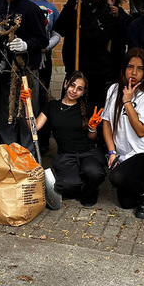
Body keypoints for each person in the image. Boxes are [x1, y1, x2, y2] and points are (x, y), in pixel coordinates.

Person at [0, 0, 48, 149]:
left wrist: (26, 45)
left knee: (27, 115)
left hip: (26, 71)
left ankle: (28, 157)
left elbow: (43, 41)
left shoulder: (30, 9)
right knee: (6, 115)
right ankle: (10, 156)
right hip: (3, 72)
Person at [101, 49, 144, 218]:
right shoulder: (114, 89)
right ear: (123, 68)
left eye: (140, 68)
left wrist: (128, 102)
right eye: (130, 67)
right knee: (126, 202)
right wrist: (111, 152)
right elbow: (106, 122)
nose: (134, 73)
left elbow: (141, 131)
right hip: (125, 154)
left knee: (117, 177)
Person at [28, 72, 106, 206]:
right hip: (66, 156)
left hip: (88, 153)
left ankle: (90, 189)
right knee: (68, 186)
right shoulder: (51, 106)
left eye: (79, 89)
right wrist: (27, 103)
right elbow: (34, 127)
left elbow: (91, 138)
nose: (74, 91)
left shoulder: (85, 107)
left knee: (95, 173)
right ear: (65, 84)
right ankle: (79, 180)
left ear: (83, 92)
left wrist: (92, 128)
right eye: (72, 85)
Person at [54, 0, 123, 112]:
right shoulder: (74, 10)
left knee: (94, 111)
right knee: (70, 110)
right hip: (74, 70)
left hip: (97, 76)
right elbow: (60, 28)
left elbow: (101, 37)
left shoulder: (105, 13)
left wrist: (89, 12)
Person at [22, 0, 60, 152]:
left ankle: (41, 141)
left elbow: (56, 33)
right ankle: (23, 140)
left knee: (42, 97)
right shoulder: (22, 2)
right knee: (25, 98)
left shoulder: (51, 7)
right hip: (25, 59)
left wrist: (47, 46)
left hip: (44, 60)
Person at [104, 0, 133, 74]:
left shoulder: (123, 15)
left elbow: (126, 37)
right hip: (99, 61)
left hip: (116, 61)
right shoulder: (99, 11)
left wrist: (117, 18)